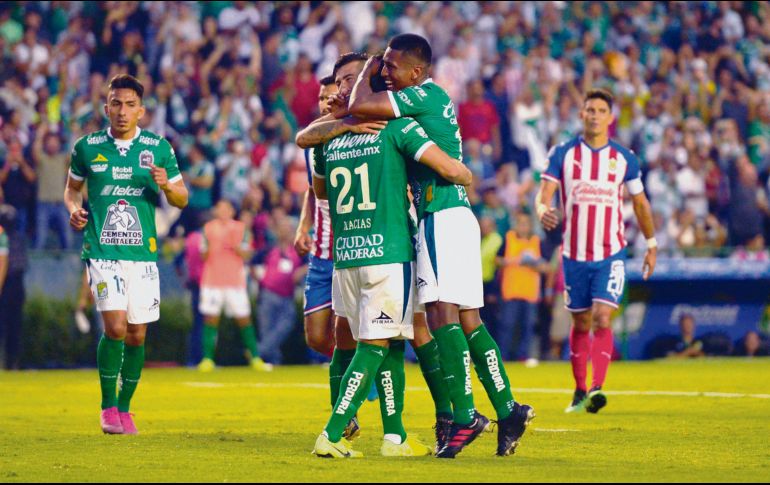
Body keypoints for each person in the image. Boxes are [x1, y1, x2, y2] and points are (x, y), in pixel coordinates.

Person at [348, 34, 534, 458]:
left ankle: (466, 416)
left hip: (440, 215)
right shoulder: (430, 97)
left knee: (440, 313)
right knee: (469, 319)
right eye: (384, 65)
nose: (384, 72)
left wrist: (366, 66)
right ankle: (508, 409)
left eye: (393, 66)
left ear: (416, 71)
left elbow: (359, 105)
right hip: (458, 215)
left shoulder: (419, 96)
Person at [297, 52, 459, 455]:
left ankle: (395, 435)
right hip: (387, 252)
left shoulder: (326, 138)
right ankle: (332, 433)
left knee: (388, 342)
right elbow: (450, 169)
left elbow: (320, 193)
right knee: (375, 344)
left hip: (346, 254)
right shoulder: (394, 127)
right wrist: (466, 175)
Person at [63, 74, 189, 435]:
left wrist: (166, 185)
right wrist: (73, 209)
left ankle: (125, 408)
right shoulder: (86, 147)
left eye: (130, 104)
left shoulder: (159, 147)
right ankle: (106, 407)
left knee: (136, 335)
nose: (122, 111)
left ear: (141, 110)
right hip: (102, 251)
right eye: (116, 103)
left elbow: (182, 197)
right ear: (106, 107)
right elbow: (72, 190)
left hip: (143, 255)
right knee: (115, 327)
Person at [536, 88, 657, 415]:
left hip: (610, 253)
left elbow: (640, 203)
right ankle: (578, 390)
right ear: (582, 115)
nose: (594, 115)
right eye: (589, 109)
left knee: (603, 318)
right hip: (574, 255)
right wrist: (541, 209)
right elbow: (544, 192)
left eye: (601, 110)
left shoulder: (624, 158)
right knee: (581, 323)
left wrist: (652, 243)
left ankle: (597, 388)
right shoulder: (562, 153)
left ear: (610, 117)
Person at [197, 199, 270, 372]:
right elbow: (203, 255)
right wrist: (211, 247)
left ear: (231, 211)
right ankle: (207, 359)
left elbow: (246, 254)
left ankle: (255, 357)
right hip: (212, 280)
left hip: (234, 280)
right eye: (219, 208)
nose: (222, 211)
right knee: (211, 318)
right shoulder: (208, 228)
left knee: (243, 318)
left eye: (226, 208)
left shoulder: (240, 229)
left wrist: (233, 244)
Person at [253, 212, 306, 366]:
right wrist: (261, 280)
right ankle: (272, 361)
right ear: (276, 231)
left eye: (288, 228)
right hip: (268, 294)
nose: (285, 231)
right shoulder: (268, 249)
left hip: (287, 295)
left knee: (285, 326)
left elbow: (309, 264)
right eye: (282, 228)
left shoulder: (298, 250)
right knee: (266, 329)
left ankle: (258, 352)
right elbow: (253, 263)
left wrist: (300, 272)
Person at [496, 212, 549, 363]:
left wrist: (534, 263)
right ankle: (503, 356)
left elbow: (546, 267)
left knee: (528, 327)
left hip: (530, 292)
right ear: (516, 225)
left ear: (531, 225)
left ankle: (523, 356)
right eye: (520, 223)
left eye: (526, 223)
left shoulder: (537, 241)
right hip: (511, 291)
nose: (523, 226)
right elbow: (497, 260)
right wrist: (515, 260)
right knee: (507, 325)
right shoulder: (508, 238)